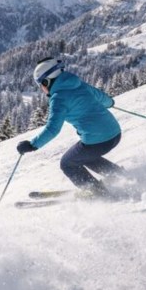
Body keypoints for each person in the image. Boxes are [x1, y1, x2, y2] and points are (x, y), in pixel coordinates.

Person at [16, 58, 123, 196]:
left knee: (67, 163)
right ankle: (120, 175)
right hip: (115, 133)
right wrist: (110, 102)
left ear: (46, 81)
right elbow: (105, 99)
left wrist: (32, 145)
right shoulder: (79, 84)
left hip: (98, 141)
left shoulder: (58, 98)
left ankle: (97, 192)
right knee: (84, 157)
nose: (41, 89)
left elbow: (53, 129)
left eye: (40, 84)